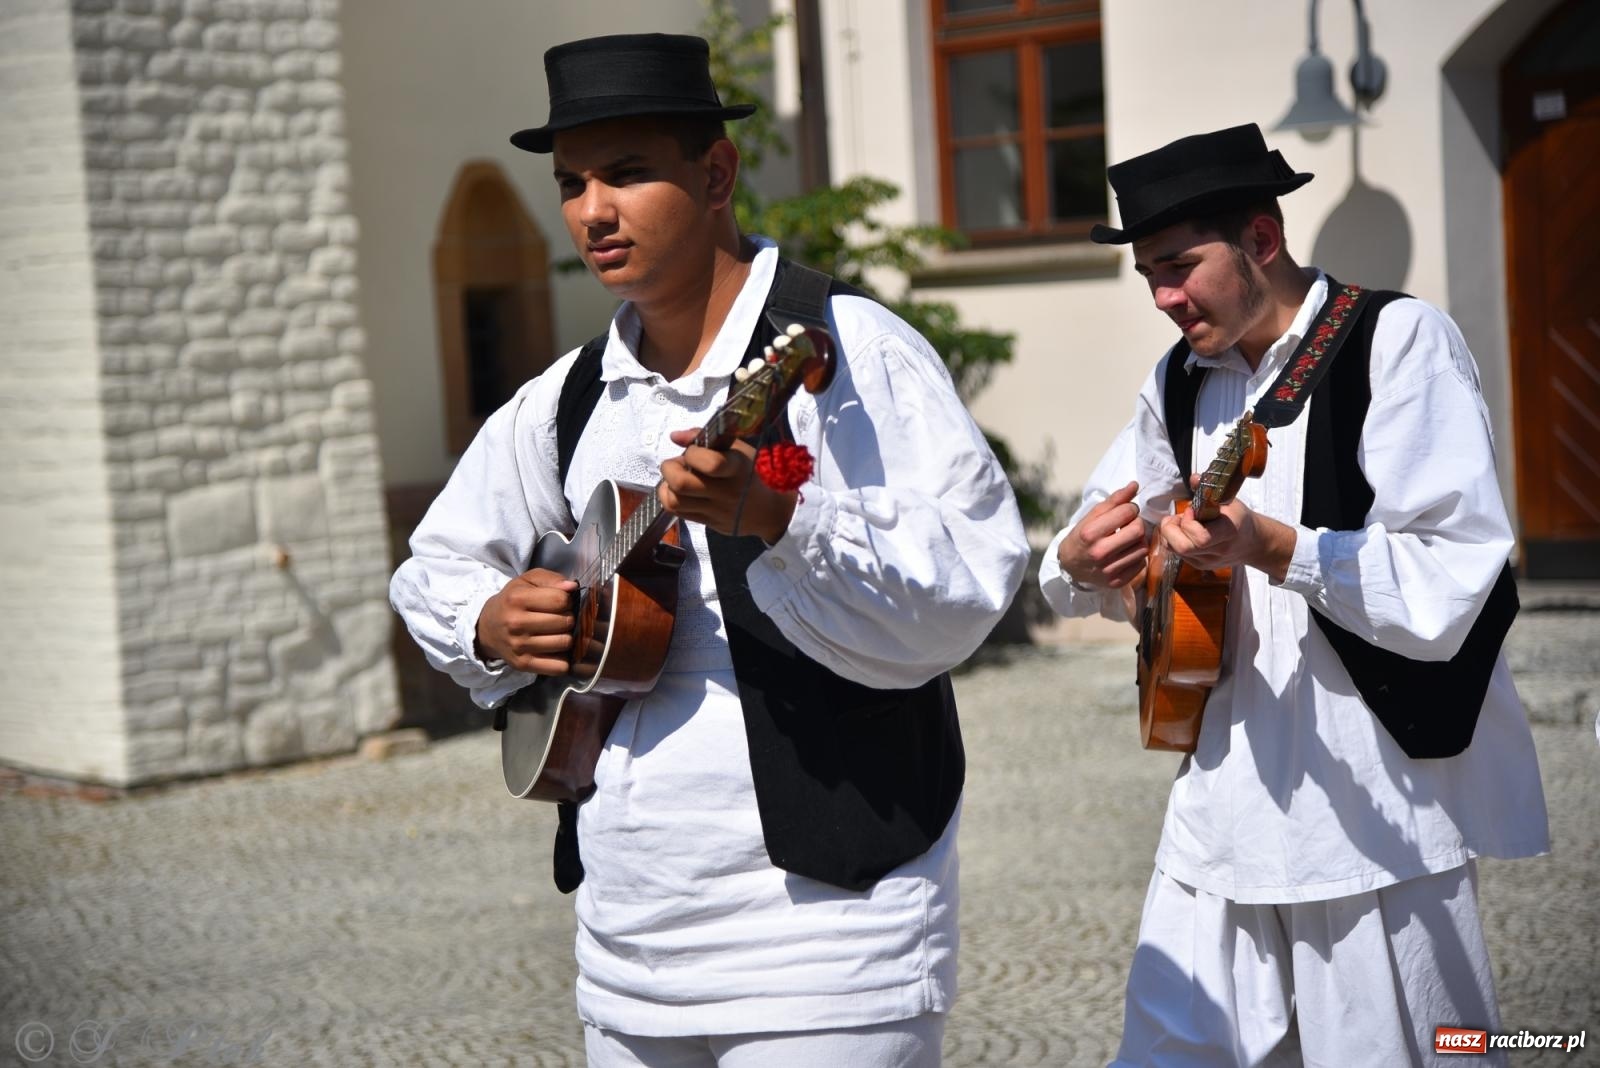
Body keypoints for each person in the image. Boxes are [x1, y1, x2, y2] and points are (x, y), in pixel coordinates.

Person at [389, 33, 1029, 1068]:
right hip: (629, 942)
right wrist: (489, 617)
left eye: (628, 173)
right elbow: (433, 566)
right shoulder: (569, 397)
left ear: (717, 172)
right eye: (571, 183)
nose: (592, 210)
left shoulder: (846, 351)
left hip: (831, 933)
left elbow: (967, 585)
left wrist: (785, 521)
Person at [1039, 124, 1549, 1066]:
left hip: (1376, 820)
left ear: (1262, 240)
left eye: (1180, 266)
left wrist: (1278, 546)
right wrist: (1082, 560)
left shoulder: (1396, 342)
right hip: (1217, 820)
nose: (1163, 297)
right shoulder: (1180, 382)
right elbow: (1093, 538)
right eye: (1148, 273)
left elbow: (1457, 575)